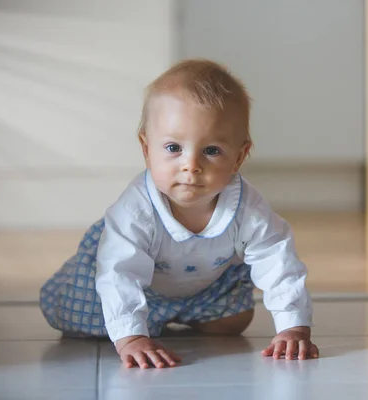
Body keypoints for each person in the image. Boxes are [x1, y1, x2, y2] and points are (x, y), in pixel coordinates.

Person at [39, 59, 319, 369]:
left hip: (201, 286)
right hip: (131, 282)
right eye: (173, 148)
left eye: (211, 151)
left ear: (239, 158)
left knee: (235, 322)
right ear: (147, 149)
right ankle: (141, 322)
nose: (191, 165)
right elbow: (120, 273)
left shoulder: (248, 208)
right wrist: (130, 337)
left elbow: (277, 260)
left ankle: (181, 315)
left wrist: (292, 326)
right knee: (78, 320)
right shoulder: (136, 209)